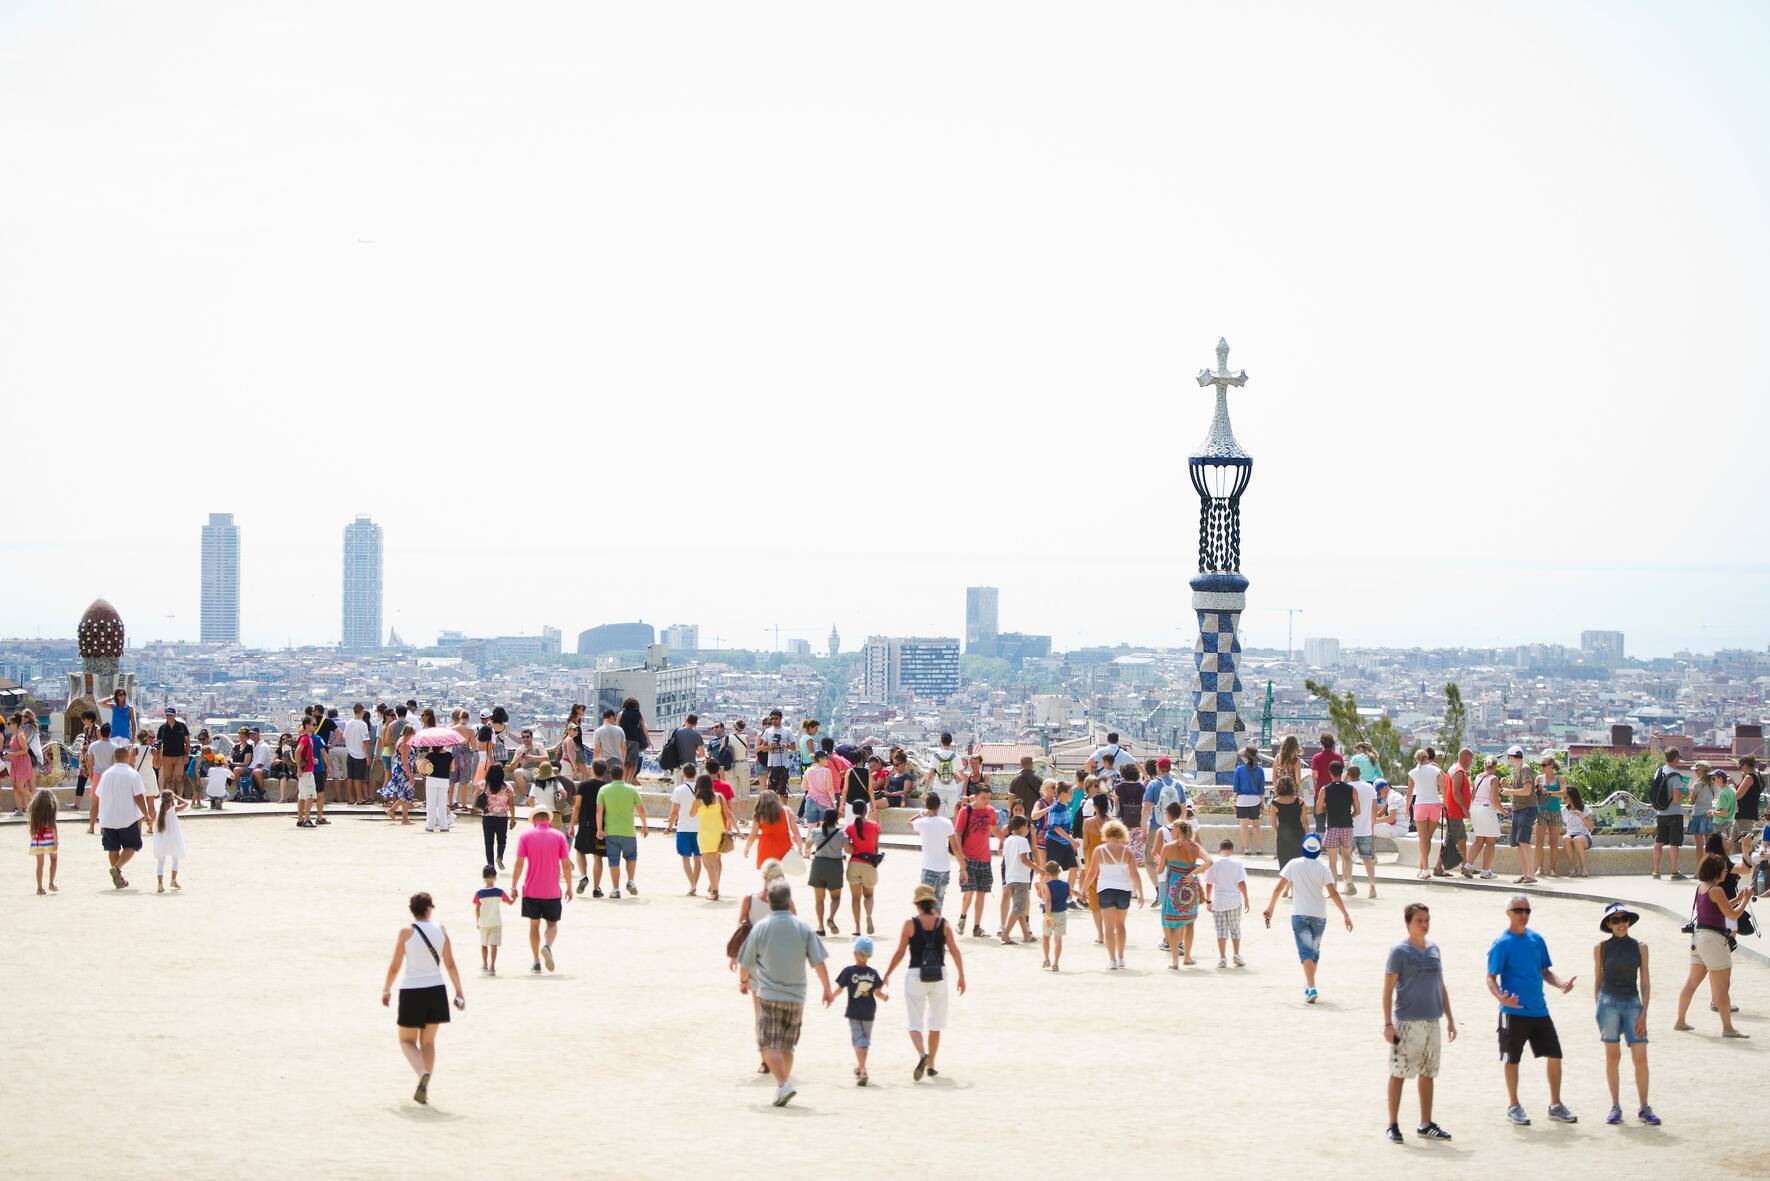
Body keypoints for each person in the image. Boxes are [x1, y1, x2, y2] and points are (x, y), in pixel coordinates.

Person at [737, 880, 833, 1107]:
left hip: (770, 994)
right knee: (787, 1047)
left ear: (770, 902)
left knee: (766, 1044)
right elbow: (818, 962)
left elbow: (745, 961)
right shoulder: (803, 927)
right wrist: (827, 988)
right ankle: (783, 1087)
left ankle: (783, 1084)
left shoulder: (761, 927)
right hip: (797, 996)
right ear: (789, 902)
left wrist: (743, 981)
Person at [1487, 894, 1579, 1125]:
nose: (1524, 915)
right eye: (1519, 910)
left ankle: (1556, 1104)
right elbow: (1490, 977)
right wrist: (1501, 998)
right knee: (1512, 1059)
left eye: (1527, 911)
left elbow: (1545, 971)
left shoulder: (1537, 939)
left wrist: (1561, 985)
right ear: (1508, 913)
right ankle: (1513, 1106)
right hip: (1513, 1012)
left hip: (1539, 1010)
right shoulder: (1502, 943)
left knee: (1555, 1055)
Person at [380, 892, 465, 1106]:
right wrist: (459, 992)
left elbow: (394, 966)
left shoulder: (406, 933)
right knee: (428, 1042)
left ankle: (421, 1073)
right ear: (429, 909)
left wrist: (386, 989)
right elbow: (450, 964)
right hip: (436, 989)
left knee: (406, 1040)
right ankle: (425, 1087)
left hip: (412, 990)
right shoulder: (441, 930)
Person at [1382, 903, 1457, 1144]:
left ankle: (1426, 1123)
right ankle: (1392, 1124)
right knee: (1399, 1072)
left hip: (1431, 1021)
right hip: (1406, 1022)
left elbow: (1441, 985)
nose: (1424, 924)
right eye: (1419, 921)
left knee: (1428, 1071)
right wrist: (1387, 1024)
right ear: (1408, 923)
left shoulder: (1434, 949)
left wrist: (1450, 1020)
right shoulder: (1399, 952)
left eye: (1426, 920)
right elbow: (1387, 989)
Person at [882, 883, 967, 1081]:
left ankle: (922, 1054)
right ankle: (932, 1065)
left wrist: (887, 974)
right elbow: (954, 951)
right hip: (940, 975)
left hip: (915, 975)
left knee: (914, 1023)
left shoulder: (910, 924)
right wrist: (961, 976)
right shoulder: (943, 923)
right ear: (932, 902)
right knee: (936, 1024)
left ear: (918, 904)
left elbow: (900, 952)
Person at [1262, 832, 1352, 1004]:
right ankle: (1310, 984)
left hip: (1299, 914)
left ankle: (1311, 987)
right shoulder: (1323, 868)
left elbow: (1278, 888)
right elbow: (1333, 893)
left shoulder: (1293, 864)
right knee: (1314, 953)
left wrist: (1270, 908)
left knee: (1306, 952)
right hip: (1319, 915)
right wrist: (1345, 914)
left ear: (1303, 846)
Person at [1592, 902, 1658, 1125]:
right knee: (1613, 1057)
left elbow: (1646, 983)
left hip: (1632, 1003)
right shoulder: (1601, 947)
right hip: (1608, 1003)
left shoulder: (1641, 947)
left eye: (1624, 919)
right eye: (1615, 920)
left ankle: (1644, 1106)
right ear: (1608, 924)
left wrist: (1644, 1013)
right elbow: (1597, 981)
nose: (1620, 924)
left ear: (1629, 921)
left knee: (1641, 1058)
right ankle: (1615, 1106)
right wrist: (1598, 1007)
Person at [1673, 852, 1752, 1037]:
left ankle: (1680, 1020)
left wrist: (1739, 898)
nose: (1726, 871)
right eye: (1724, 869)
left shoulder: (1703, 887)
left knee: (1691, 983)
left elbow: (1719, 907)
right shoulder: (1717, 890)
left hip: (1698, 938)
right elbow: (1732, 915)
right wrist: (1746, 901)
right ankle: (1728, 1028)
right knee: (1721, 987)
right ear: (1717, 871)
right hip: (1713, 940)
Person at [508, 807, 573, 973]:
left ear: (534, 820)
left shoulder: (526, 836)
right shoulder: (559, 837)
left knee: (534, 925)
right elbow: (566, 865)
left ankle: (536, 961)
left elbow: (519, 863)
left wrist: (513, 885)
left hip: (531, 889)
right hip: (552, 890)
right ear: (548, 819)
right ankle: (547, 946)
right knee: (552, 924)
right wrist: (570, 887)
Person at [1081, 819, 1145, 970]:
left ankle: (1112, 960)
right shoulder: (1127, 851)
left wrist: (1083, 889)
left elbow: (1091, 874)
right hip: (1124, 890)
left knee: (1108, 927)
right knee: (1120, 925)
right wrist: (1141, 893)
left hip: (1105, 889)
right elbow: (1135, 874)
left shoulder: (1099, 850)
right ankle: (1121, 957)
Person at [1150, 810, 1206, 968]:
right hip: (1189, 886)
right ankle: (1187, 957)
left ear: (1177, 830)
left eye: (1173, 829)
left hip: (1173, 886)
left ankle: (1175, 961)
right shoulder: (1194, 846)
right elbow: (1209, 861)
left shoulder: (1168, 847)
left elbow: (1160, 871)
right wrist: (1194, 873)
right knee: (1189, 923)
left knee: (1173, 924)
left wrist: (1160, 861)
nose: (1171, 831)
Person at [89, 746, 150, 889]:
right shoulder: (132, 774)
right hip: (127, 817)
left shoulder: (106, 774)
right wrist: (146, 814)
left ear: (114, 757)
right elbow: (139, 796)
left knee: (113, 848)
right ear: (127, 757)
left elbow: (98, 795)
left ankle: (118, 876)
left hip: (108, 817)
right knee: (133, 845)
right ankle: (117, 868)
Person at [830, 936, 887, 1086]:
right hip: (869, 1012)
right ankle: (861, 1066)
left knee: (857, 1040)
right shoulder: (873, 973)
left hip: (854, 1012)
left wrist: (831, 997)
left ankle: (862, 1070)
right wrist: (885, 997)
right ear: (869, 955)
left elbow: (839, 989)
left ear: (855, 953)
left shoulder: (848, 971)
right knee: (865, 1041)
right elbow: (877, 993)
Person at [954, 783, 1000, 938]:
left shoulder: (991, 811)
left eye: (989, 798)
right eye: (983, 798)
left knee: (982, 893)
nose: (987, 801)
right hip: (969, 858)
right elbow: (958, 833)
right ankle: (963, 916)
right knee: (969, 891)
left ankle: (976, 926)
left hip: (985, 858)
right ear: (975, 796)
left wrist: (1006, 841)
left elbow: (994, 829)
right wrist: (960, 856)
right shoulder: (965, 811)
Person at [595, 769, 648, 897]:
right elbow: (641, 809)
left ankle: (615, 889)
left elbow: (599, 811)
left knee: (614, 861)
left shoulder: (604, 790)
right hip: (628, 831)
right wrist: (644, 825)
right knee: (631, 857)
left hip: (611, 831)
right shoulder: (632, 790)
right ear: (623, 775)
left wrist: (599, 829)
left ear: (611, 776)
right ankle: (630, 880)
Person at [1202, 838, 1248, 968]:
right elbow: (1241, 883)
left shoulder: (1213, 863)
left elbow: (1209, 884)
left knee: (1221, 930)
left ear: (1219, 850)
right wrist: (1246, 899)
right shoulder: (1237, 863)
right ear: (1232, 850)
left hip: (1219, 902)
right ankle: (1236, 954)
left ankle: (1222, 957)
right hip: (1234, 900)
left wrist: (1209, 900)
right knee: (1235, 928)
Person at [911, 792, 961, 913]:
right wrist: (963, 867)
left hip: (928, 868)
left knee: (925, 904)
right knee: (939, 902)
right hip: (944, 868)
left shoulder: (921, 823)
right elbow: (955, 847)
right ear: (939, 806)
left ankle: (926, 929)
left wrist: (921, 814)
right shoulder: (946, 823)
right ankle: (936, 928)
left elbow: (909, 822)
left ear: (926, 806)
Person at [1317, 758, 1361, 892]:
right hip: (1347, 826)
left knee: (1332, 861)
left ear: (1330, 773)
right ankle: (1348, 882)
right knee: (1347, 857)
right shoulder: (1351, 789)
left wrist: (1326, 807)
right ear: (1342, 772)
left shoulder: (1325, 790)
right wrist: (1350, 816)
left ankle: (1333, 887)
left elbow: (1318, 810)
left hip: (1332, 826)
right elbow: (1358, 811)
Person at [690, 773, 735, 901]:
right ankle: (714, 886)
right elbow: (728, 815)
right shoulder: (719, 797)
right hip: (719, 833)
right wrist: (737, 830)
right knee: (715, 862)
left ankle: (715, 892)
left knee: (709, 865)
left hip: (705, 835)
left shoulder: (698, 801)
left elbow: (692, 814)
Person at [843, 799, 884, 935]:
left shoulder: (849, 828)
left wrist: (854, 850)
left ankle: (857, 928)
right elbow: (876, 846)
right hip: (869, 864)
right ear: (866, 811)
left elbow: (846, 846)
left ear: (853, 811)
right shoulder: (874, 826)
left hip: (855, 863)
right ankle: (869, 916)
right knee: (869, 895)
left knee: (855, 898)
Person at [1403, 749, 1443, 882]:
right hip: (1435, 805)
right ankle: (1422, 867)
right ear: (1427, 758)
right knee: (1427, 838)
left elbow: (1409, 793)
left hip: (1420, 806)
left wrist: (1407, 807)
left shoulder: (1413, 772)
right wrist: (1446, 803)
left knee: (1423, 839)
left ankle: (1425, 869)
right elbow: (1444, 788)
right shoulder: (1435, 770)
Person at [570, 760, 609, 896]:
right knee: (597, 857)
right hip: (601, 826)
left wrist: (571, 825)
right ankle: (596, 888)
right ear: (605, 771)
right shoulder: (606, 787)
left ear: (592, 769)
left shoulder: (584, 785)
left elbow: (577, 806)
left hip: (585, 824)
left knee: (580, 851)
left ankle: (583, 875)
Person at [807, 808, 849, 936]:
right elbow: (850, 850)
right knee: (835, 898)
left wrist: (807, 851)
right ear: (837, 820)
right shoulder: (841, 834)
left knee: (819, 900)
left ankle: (820, 927)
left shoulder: (816, 832)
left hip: (818, 864)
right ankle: (830, 917)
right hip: (835, 866)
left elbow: (808, 846)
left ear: (823, 819)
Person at [1501, 746, 1539, 884]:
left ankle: (1530, 875)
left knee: (1524, 841)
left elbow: (1527, 791)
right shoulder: (1520, 769)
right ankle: (1525, 874)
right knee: (1519, 843)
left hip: (1526, 809)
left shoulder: (1525, 768)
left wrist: (1509, 791)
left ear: (1510, 757)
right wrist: (1508, 787)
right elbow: (1521, 790)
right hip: (1520, 809)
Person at [1433, 748, 1473, 878]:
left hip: (1454, 811)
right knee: (1450, 841)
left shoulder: (1453, 768)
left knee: (1462, 839)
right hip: (1455, 812)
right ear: (1466, 758)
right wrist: (1464, 808)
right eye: (1470, 760)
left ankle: (1465, 865)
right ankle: (1438, 867)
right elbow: (1456, 792)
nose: (1470, 763)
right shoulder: (1459, 771)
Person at [1649, 748, 1687, 881]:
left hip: (1661, 813)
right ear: (1676, 758)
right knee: (1674, 843)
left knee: (1659, 842)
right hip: (1674, 814)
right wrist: (1685, 793)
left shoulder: (1659, 771)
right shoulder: (1675, 776)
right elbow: (1677, 799)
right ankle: (1675, 872)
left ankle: (1656, 871)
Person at [667, 765, 705, 896]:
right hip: (699, 827)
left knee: (685, 858)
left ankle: (692, 884)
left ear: (683, 774)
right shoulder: (702, 790)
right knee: (698, 858)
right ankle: (694, 883)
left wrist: (669, 827)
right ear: (695, 774)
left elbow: (674, 812)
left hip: (683, 827)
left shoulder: (679, 790)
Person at [999, 815, 1036, 945]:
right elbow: (1025, 860)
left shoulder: (1008, 840)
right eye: (1027, 827)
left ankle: (1026, 935)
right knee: (1018, 907)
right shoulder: (1023, 841)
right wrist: (1039, 869)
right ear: (1022, 827)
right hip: (1021, 879)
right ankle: (1006, 934)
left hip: (1010, 878)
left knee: (1020, 907)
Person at [744, 788, 801, 872]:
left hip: (766, 846)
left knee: (767, 874)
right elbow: (796, 832)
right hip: (784, 844)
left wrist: (747, 849)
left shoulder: (759, 814)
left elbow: (752, 835)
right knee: (781, 872)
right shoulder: (787, 811)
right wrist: (800, 847)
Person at [472, 865, 513, 974]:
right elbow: (510, 902)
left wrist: (477, 921)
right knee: (493, 945)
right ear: (495, 877)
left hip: (483, 923)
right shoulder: (499, 892)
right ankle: (492, 967)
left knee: (484, 944)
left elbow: (477, 909)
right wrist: (515, 896)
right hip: (496, 922)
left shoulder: (479, 893)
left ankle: (485, 964)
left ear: (483, 878)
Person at [1468, 759, 1503, 880]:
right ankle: (1485, 871)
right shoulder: (1493, 778)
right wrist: (1502, 810)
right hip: (1486, 809)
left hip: (1475, 809)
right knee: (1490, 842)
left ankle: (1468, 865)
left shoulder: (1478, 777)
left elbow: (1473, 796)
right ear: (1495, 766)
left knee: (1479, 840)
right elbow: (1494, 798)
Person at [151, 788, 188, 892]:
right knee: (175, 858)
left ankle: (160, 884)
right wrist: (176, 796)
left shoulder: (157, 812)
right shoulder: (173, 810)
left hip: (161, 841)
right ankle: (173, 879)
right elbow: (186, 803)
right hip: (173, 840)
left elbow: (150, 822)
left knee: (161, 861)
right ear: (171, 800)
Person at [1536, 754, 1567, 879]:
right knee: (1539, 841)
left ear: (1551, 765)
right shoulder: (1539, 778)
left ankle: (1553, 870)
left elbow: (1563, 794)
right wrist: (1538, 791)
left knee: (1553, 842)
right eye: (1541, 765)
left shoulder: (1560, 779)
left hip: (1555, 811)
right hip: (1541, 810)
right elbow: (1535, 795)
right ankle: (1540, 868)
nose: (1542, 767)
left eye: (1544, 765)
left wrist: (1548, 792)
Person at [480, 764, 516, 870]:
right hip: (501, 817)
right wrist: (513, 818)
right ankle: (499, 856)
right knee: (502, 840)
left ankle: (490, 864)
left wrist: (478, 808)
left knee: (488, 842)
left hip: (487, 816)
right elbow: (511, 804)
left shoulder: (484, 785)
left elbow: (475, 797)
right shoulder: (507, 787)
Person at [1232, 746, 1266, 856]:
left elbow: (1235, 788)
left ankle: (1246, 849)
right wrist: (1262, 802)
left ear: (1245, 757)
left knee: (1244, 826)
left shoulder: (1239, 770)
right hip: (1255, 800)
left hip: (1242, 801)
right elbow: (1261, 789)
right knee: (1256, 826)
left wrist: (1234, 800)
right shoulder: (1260, 770)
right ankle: (1259, 848)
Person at [1038, 858, 1071, 971]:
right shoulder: (1065, 884)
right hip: (1061, 914)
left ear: (1047, 873)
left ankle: (1047, 959)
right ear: (1060, 870)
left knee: (1046, 937)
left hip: (1050, 914)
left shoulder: (1047, 885)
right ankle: (1056, 963)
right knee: (1058, 940)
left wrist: (1048, 917)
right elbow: (1069, 896)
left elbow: (1047, 901)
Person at [154, 706, 190, 806]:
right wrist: (158, 758)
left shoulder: (182, 726)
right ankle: (171, 800)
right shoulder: (162, 728)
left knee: (179, 778)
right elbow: (159, 745)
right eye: (167, 715)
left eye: (171, 715)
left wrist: (187, 754)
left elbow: (187, 742)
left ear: (175, 715)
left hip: (179, 755)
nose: (169, 716)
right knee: (168, 779)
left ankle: (179, 798)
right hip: (166, 756)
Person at [922, 732, 963, 817]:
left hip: (938, 788)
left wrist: (925, 791)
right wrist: (954, 773)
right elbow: (962, 776)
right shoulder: (956, 757)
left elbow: (930, 775)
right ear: (951, 742)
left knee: (937, 813)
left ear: (941, 741)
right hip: (952, 788)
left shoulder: (936, 756)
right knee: (952, 815)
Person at [27, 787, 58, 894]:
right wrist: (55, 841)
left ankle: (39, 888)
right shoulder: (51, 811)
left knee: (40, 864)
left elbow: (31, 829)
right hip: (49, 840)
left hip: (38, 840)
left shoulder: (35, 813)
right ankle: (51, 883)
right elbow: (53, 827)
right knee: (53, 860)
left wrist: (33, 839)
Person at [758, 710, 792, 797]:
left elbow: (794, 747)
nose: (774, 721)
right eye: (772, 719)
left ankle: (783, 809)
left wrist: (786, 746)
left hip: (784, 764)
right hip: (772, 765)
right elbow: (763, 749)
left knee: (783, 792)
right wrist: (770, 747)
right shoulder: (767, 731)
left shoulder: (787, 731)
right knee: (772, 791)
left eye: (776, 719)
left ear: (780, 719)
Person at [343, 703, 372, 807]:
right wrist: (368, 756)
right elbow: (365, 742)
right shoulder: (363, 724)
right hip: (360, 754)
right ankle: (359, 798)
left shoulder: (349, 722)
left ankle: (350, 797)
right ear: (362, 711)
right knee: (358, 777)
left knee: (350, 776)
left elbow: (344, 736)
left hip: (350, 752)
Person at [1309, 733, 1339, 830]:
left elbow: (1314, 776)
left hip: (1319, 791)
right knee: (1334, 822)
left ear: (1321, 744)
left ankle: (1320, 844)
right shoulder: (1339, 757)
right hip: (1335, 792)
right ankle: (1332, 844)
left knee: (1320, 822)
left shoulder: (1316, 757)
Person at [1562, 787, 1593, 878]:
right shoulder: (1563, 810)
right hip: (1570, 836)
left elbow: (1591, 827)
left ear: (1572, 797)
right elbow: (1560, 826)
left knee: (1577, 839)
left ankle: (1584, 868)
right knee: (1565, 838)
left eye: (1565, 797)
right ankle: (1572, 868)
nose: (1563, 799)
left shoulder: (1585, 808)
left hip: (1584, 837)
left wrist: (1581, 816)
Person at [616, 697, 648, 784]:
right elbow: (644, 728)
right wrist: (648, 740)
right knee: (633, 763)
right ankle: (629, 781)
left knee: (626, 763)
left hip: (623, 741)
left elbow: (617, 728)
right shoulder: (638, 714)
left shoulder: (620, 714)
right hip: (635, 741)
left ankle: (623, 781)